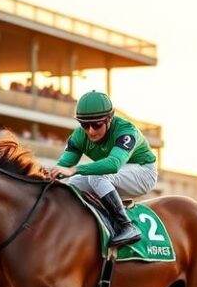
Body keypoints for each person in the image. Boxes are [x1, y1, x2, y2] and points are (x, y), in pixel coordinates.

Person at [48, 90, 158, 246]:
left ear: (109, 119)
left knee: (96, 176)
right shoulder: (78, 136)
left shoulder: (127, 131)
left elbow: (113, 164)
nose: (91, 131)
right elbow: (63, 166)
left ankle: (127, 226)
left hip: (143, 173)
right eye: (85, 125)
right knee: (72, 183)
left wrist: (75, 169)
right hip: (117, 174)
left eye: (97, 125)